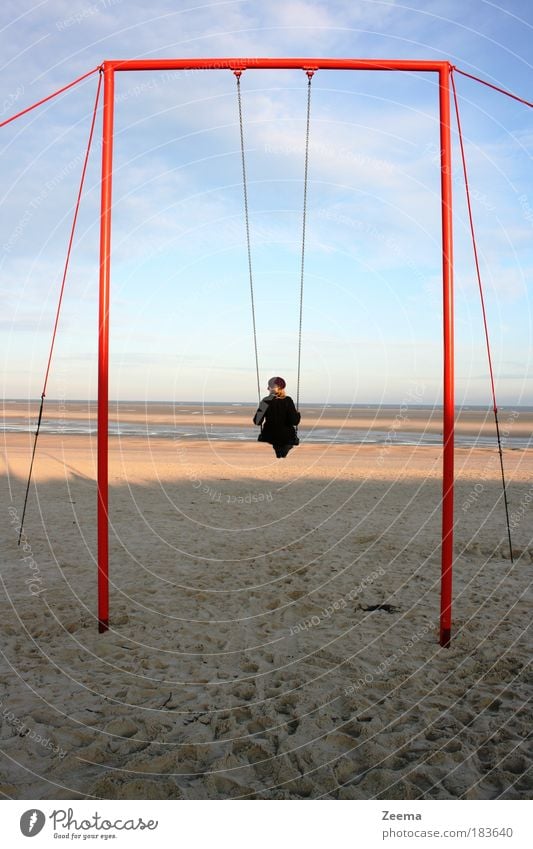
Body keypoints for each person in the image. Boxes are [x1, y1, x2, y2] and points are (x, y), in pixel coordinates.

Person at [253, 377, 301, 458]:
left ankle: (280, 450)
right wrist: (298, 415)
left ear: (279, 387)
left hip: (270, 435)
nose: (268, 388)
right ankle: (284, 449)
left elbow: (257, 421)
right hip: (287, 436)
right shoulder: (288, 400)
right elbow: (295, 421)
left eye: (270, 386)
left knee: (278, 443)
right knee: (284, 442)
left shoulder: (266, 400)